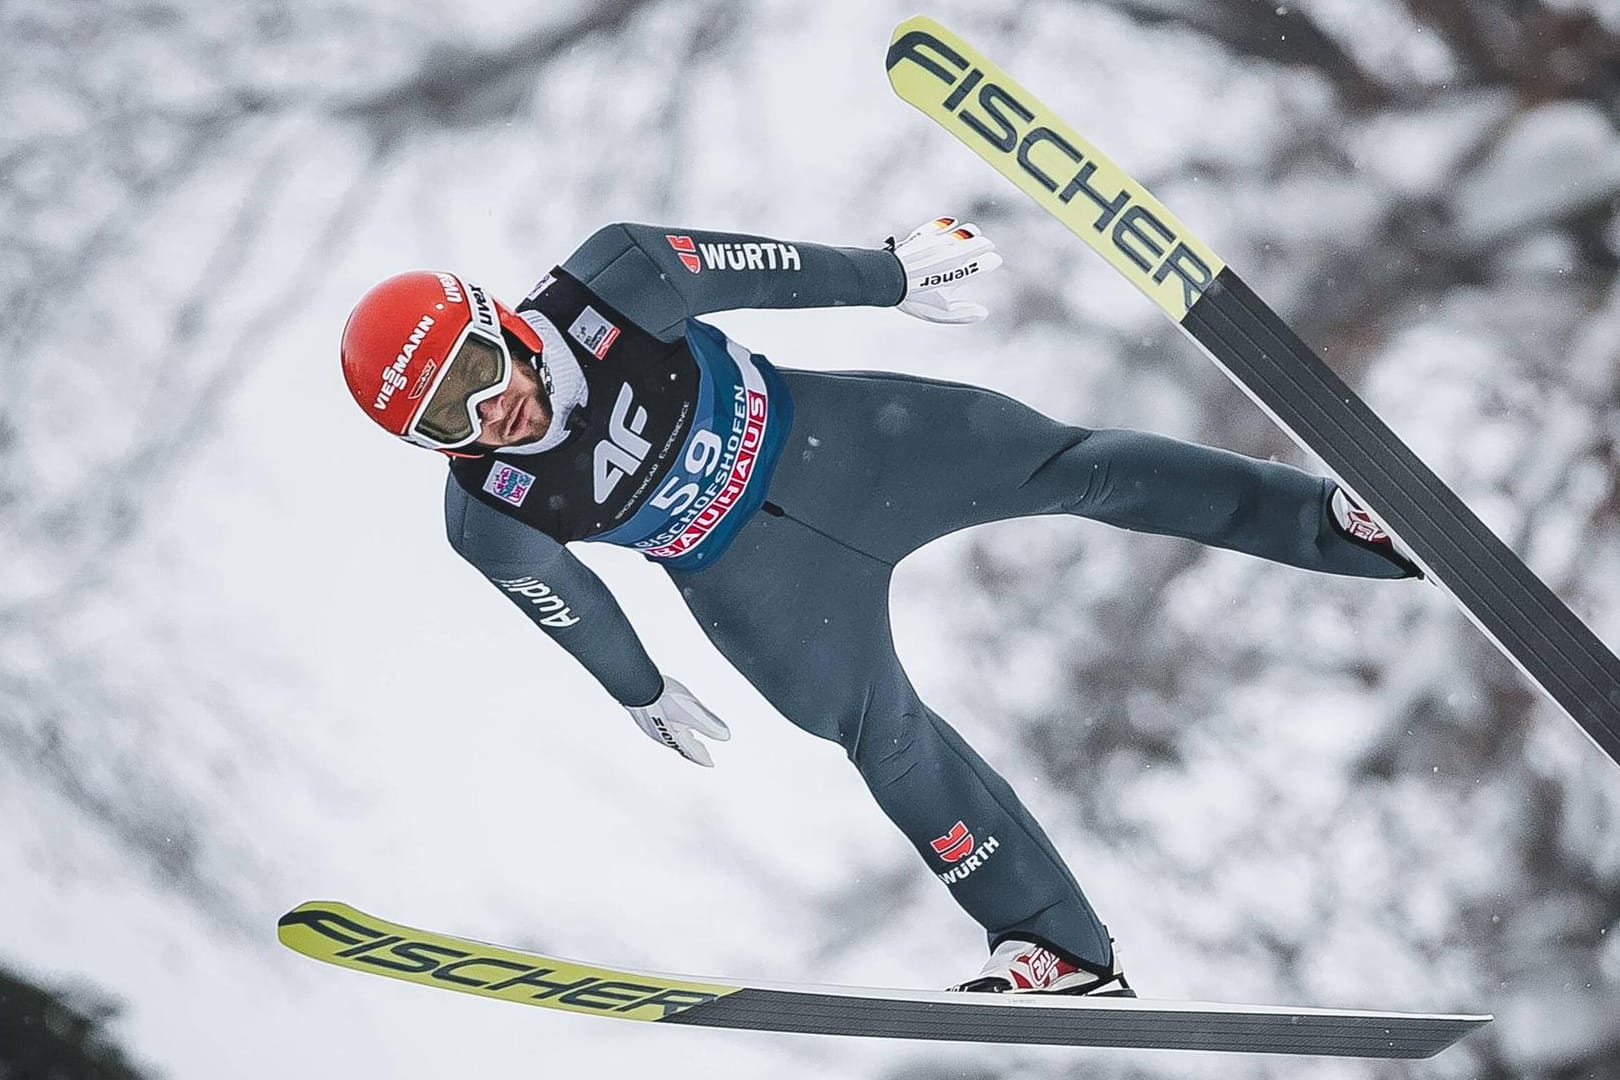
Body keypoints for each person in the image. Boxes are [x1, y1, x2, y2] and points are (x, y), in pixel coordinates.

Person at [339, 218, 1418, 997]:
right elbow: (560, 598)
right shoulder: (488, 509)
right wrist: (641, 686)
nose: (493, 409)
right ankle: (1062, 950)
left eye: (479, 370)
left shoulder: (612, 282)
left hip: (849, 444)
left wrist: (888, 275)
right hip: (754, 584)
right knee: (880, 737)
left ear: (498, 323)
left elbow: (756, 271)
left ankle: (1340, 525)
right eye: (447, 417)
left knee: (1071, 468)